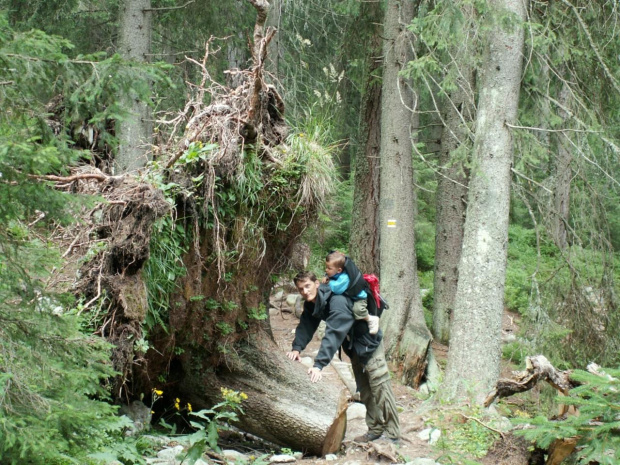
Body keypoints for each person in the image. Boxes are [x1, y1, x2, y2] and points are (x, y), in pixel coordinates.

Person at [286, 271, 400, 443]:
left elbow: (333, 333)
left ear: (317, 283)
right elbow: (307, 324)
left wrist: (319, 365)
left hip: (369, 344)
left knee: (380, 387)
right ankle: (375, 429)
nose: (305, 291)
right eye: (301, 289)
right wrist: (296, 348)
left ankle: (392, 434)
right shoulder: (314, 303)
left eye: (307, 286)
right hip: (354, 348)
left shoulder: (337, 301)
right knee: (365, 388)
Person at [322, 251, 380, 335]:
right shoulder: (337, 272)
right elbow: (331, 276)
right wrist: (326, 276)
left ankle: (371, 319)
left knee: (358, 311)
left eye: (329, 268)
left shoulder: (344, 278)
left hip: (359, 298)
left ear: (339, 270)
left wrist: (328, 282)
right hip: (351, 297)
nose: (326, 270)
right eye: (326, 267)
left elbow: (337, 289)